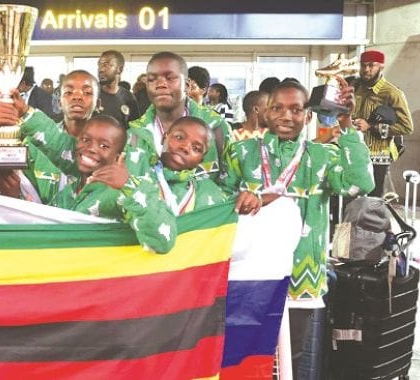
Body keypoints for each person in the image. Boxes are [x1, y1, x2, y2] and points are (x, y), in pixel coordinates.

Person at [221, 80, 374, 378]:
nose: (286, 116)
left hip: (301, 274)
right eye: (277, 108)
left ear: (308, 115)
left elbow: (361, 184)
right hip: (249, 273)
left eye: (295, 109)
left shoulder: (323, 155)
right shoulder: (241, 152)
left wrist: (346, 126)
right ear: (265, 112)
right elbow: (220, 199)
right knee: (243, 353)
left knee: (292, 354)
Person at [11, 111, 177, 254]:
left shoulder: (119, 193)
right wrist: (25, 112)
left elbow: (162, 242)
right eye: (85, 139)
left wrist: (129, 186)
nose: (91, 148)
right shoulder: (76, 184)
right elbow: (58, 144)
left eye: (104, 146)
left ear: (118, 157)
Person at [125, 52, 233, 183]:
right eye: (152, 79)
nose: (160, 84)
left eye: (169, 78)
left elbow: (231, 186)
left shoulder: (216, 127)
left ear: (187, 86)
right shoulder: (134, 134)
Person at [352, 49, 414, 197]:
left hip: (378, 158)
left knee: (374, 203)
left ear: (381, 67)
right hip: (355, 154)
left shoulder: (392, 93)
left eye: (371, 65)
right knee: (352, 201)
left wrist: (371, 127)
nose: (366, 69)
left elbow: (407, 127)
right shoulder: (357, 89)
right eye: (363, 65)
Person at [96, 50, 140, 127]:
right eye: (100, 65)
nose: (101, 69)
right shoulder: (91, 94)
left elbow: (135, 130)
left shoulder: (129, 98)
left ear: (120, 69)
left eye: (107, 65)